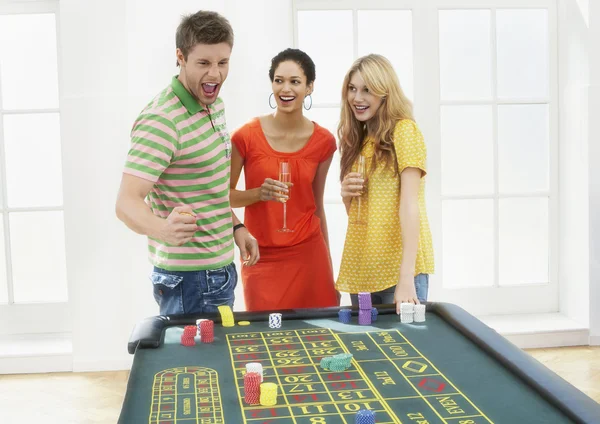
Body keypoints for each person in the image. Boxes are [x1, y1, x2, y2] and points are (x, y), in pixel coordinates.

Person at [115, 10, 259, 315]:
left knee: (218, 362)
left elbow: (208, 189)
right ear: (180, 57)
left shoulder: (213, 105)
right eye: (204, 63)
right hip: (189, 281)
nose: (215, 75)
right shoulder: (162, 120)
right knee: (196, 364)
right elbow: (126, 203)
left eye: (223, 63)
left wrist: (236, 227)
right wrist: (162, 229)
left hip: (219, 271)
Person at [229, 48, 338, 311]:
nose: (285, 89)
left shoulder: (324, 142)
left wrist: (330, 272)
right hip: (260, 257)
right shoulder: (245, 137)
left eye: (295, 81)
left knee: (320, 340)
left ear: (309, 87)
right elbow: (224, 197)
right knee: (268, 343)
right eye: (278, 80)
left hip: (309, 256)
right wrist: (258, 194)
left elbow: (317, 205)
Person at [336, 54, 434, 314]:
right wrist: (346, 194)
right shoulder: (358, 140)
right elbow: (359, 216)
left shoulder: (404, 131)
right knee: (367, 351)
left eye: (367, 90)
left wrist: (406, 278)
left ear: (385, 93)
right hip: (361, 270)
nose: (357, 98)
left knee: (406, 351)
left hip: (397, 272)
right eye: (352, 89)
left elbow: (410, 206)